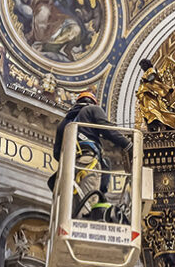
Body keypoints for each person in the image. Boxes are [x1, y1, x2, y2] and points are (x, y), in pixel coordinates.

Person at [49, 91, 132, 220]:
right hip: (87, 162)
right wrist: (127, 144)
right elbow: (107, 129)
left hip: (67, 169)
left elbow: (56, 154)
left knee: (70, 209)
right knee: (87, 204)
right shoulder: (92, 110)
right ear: (93, 102)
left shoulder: (64, 123)